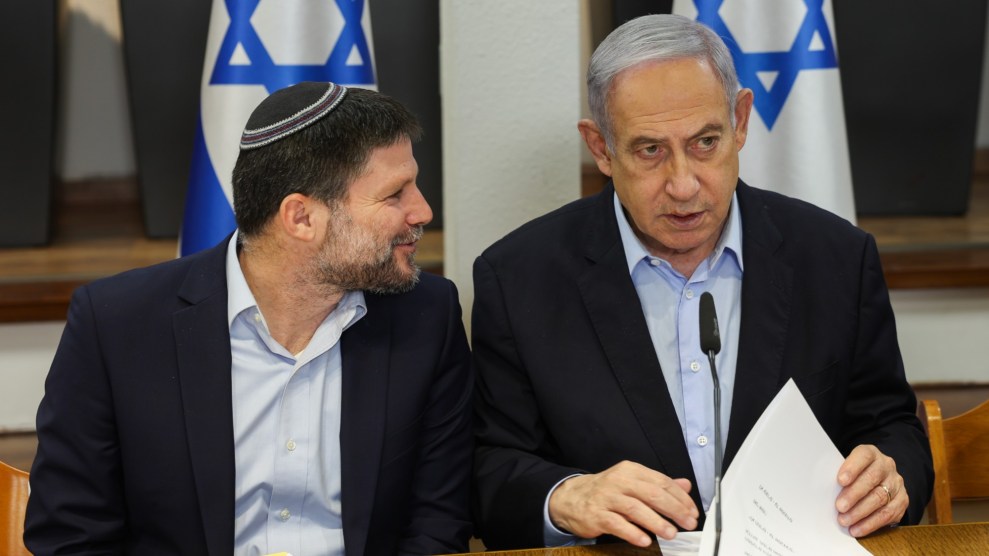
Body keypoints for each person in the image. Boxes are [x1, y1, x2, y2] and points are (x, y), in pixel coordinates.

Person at [471, 14, 932, 550]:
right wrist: (567, 497)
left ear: (739, 121)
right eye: (650, 151)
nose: (684, 185)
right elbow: (488, 471)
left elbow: (892, 426)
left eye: (705, 142)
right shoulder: (519, 278)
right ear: (601, 148)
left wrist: (891, 475)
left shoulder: (835, 258)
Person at [25, 82, 473, 556]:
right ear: (300, 218)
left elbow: (438, 523)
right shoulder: (116, 325)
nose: (422, 210)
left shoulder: (427, 314)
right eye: (394, 195)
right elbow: (70, 536)